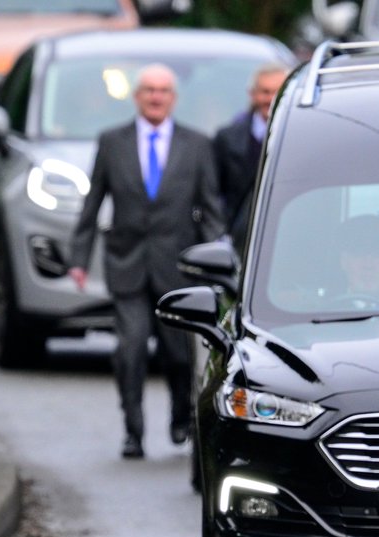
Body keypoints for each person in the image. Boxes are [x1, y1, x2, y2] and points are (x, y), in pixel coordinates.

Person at [68, 63, 225, 460]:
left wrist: (218, 262)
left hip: (177, 268)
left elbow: (210, 209)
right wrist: (78, 258)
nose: (156, 97)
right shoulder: (112, 142)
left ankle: (180, 416)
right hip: (128, 265)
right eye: (149, 90)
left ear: (173, 98)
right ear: (137, 96)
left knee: (178, 353)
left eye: (163, 91)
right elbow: (92, 203)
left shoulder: (196, 144)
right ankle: (133, 431)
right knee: (131, 349)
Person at [213, 62, 289, 247]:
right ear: (252, 94)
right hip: (238, 240)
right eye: (265, 92)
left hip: (285, 236)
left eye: (277, 92)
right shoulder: (227, 138)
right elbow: (213, 195)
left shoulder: (302, 138)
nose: (270, 99)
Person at [334, 214, 379, 309]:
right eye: (359, 254)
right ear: (343, 261)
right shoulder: (322, 314)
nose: (368, 265)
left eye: (378, 255)